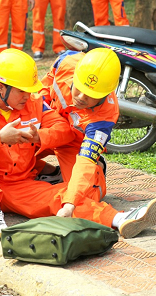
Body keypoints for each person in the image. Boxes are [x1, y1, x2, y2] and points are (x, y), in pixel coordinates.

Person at [0, 48, 156, 240]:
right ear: (1, 87)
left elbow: (65, 132)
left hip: (21, 183)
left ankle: (121, 218)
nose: (80, 97)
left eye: (91, 95)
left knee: (75, 194)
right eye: (22, 91)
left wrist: (38, 137)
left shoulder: (42, 106)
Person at [37, 48, 120, 218]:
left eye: (91, 95)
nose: (81, 97)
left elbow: (85, 161)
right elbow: (46, 85)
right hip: (48, 126)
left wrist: (69, 205)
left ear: (105, 94)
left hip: (73, 145)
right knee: (11, 157)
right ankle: (51, 173)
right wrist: (40, 110)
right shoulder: (66, 61)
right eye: (79, 87)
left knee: (85, 196)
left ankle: (97, 173)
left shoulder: (104, 119)